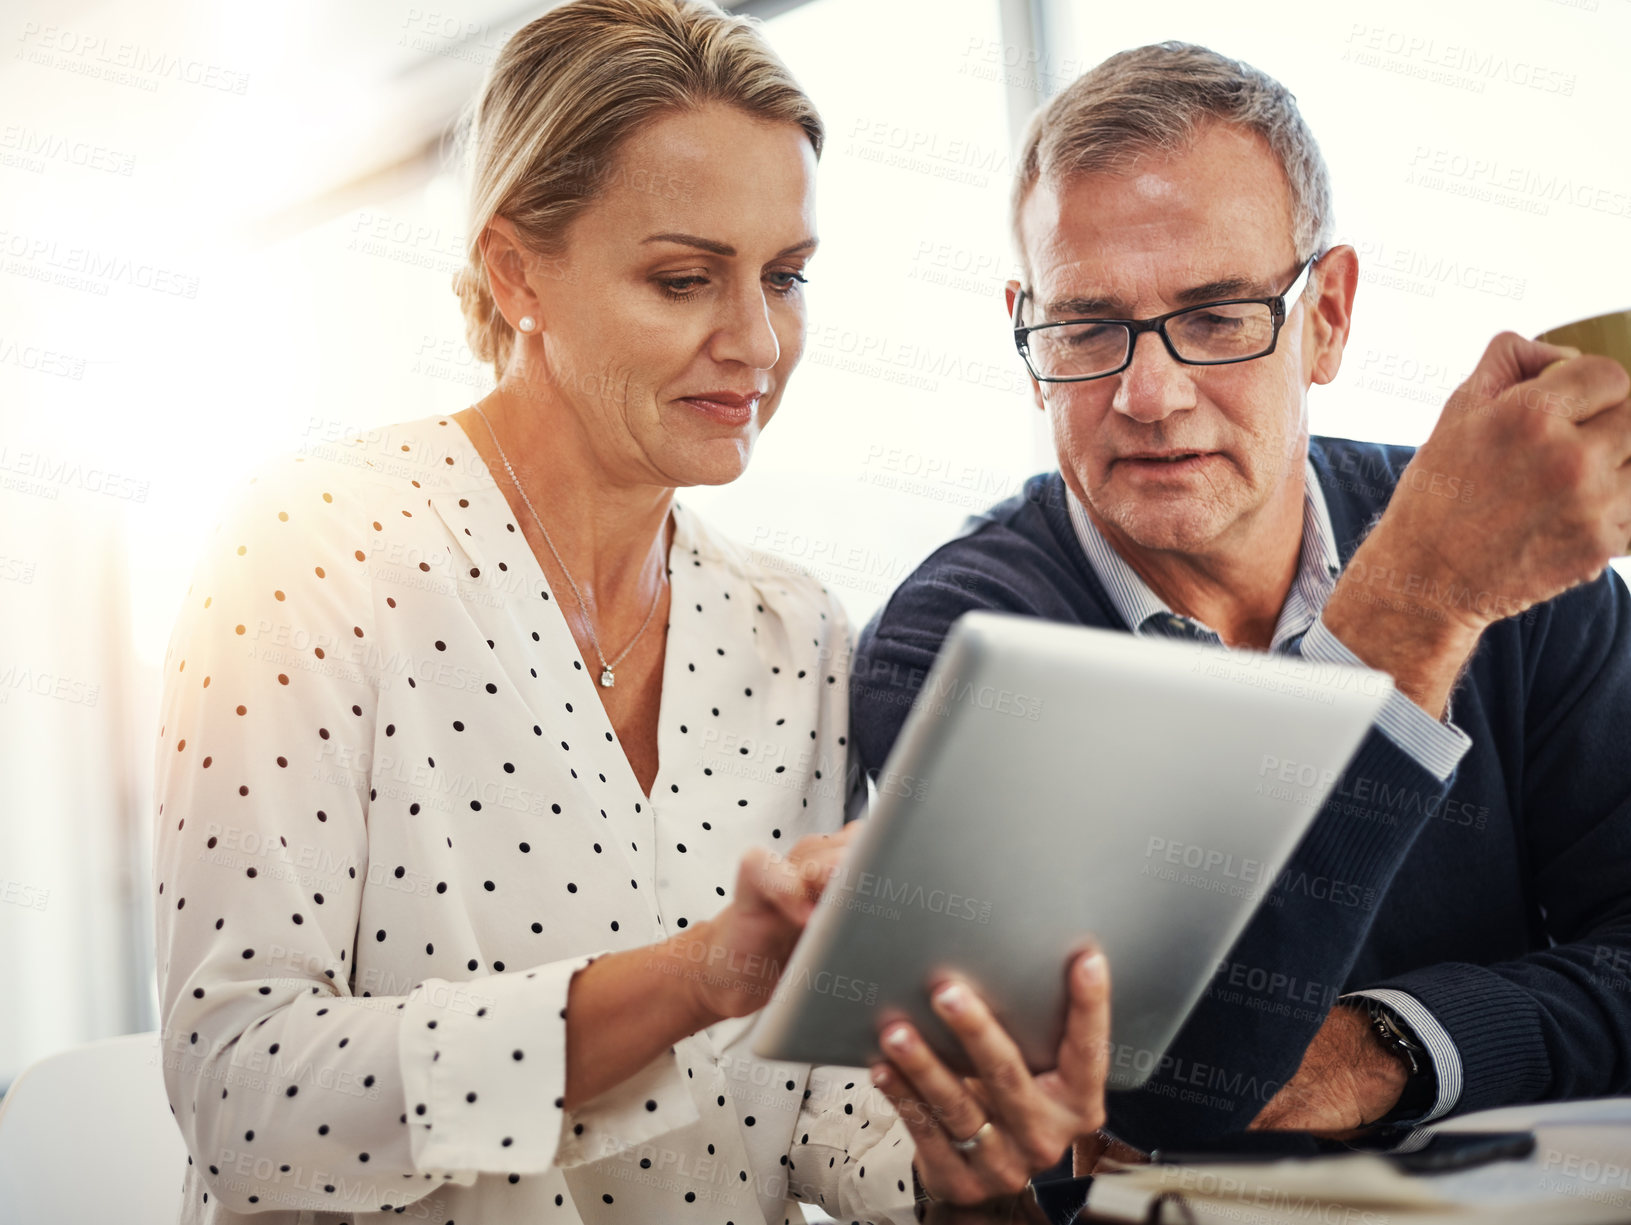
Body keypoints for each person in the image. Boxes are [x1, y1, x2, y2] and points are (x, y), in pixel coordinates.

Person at [152, 3, 1116, 1223]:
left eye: (785, 277)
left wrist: (964, 1153)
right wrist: (689, 977)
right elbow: (246, 1101)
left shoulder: (797, 629)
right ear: (516, 272)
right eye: (681, 279)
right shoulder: (307, 554)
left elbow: (812, 1110)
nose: (758, 342)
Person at [849, 40, 1631, 1182]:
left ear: (1326, 314)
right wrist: (1416, 599)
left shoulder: (1511, 553)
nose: (1147, 396)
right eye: (1086, 326)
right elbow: (1174, 1086)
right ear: (1028, 339)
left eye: (1217, 316)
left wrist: (1384, 1044)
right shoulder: (960, 649)